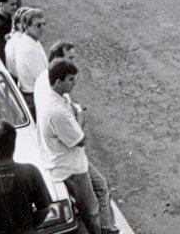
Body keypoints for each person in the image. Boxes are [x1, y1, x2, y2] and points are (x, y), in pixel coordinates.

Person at [36, 59, 117, 234]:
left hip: (76, 160)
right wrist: (80, 115)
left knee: (101, 186)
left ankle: (108, 228)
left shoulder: (59, 98)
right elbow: (80, 139)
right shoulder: (56, 111)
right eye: (71, 80)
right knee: (91, 210)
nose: (75, 83)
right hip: (71, 168)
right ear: (58, 82)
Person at [5, 7, 49, 116]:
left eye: (44, 23)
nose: (42, 28)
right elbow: (42, 78)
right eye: (38, 25)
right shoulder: (28, 49)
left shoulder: (32, 41)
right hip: (34, 96)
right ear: (26, 27)